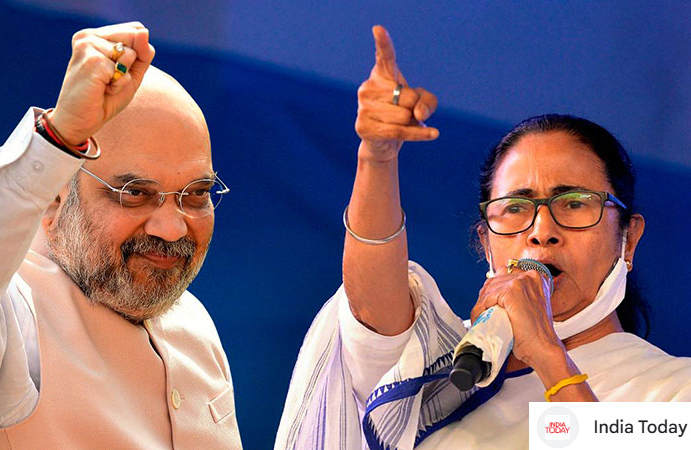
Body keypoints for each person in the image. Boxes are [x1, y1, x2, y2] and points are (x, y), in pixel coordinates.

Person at [276, 26, 691, 450]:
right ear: (486, 243)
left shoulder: (674, 393)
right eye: (515, 208)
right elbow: (369, 310)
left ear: (629, 239)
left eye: (573, 203)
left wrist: (547, 355)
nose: (542, 231)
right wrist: (376, 157)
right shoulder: (443, 369)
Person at [0, 22, 240, 448]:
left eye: (197, 194)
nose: (171, 229)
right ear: (56, 199)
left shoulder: (192, 321)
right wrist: (58, 137)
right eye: (134, 194)